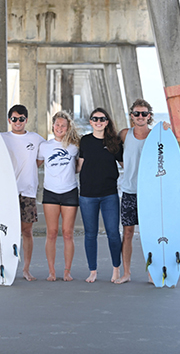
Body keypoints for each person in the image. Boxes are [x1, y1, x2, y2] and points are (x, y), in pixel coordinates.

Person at [0, 104, 44, 281]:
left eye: (21, 119)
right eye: (14, 119)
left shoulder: (36, 139)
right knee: (5, 230)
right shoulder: (0, 138)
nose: (18, 122)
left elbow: (40, 159)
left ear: (26, 120)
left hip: (27, 191)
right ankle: (3, 264)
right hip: (5, 193)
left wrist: (27, 173)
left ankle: (26, 269)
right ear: (9, 120)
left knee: (27, 231)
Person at [114, 98, 171, 284]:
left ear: (149, 116)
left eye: (144, 113)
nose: (140, 116)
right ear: (131, 116)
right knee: (128, 232)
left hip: (150, 192)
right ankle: (127, 273)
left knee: (150, 234)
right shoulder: (124, 134)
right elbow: (110, 147)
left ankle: (151, 272)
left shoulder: (157, 136)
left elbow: (171, 152)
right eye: (137, 113)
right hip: (129, 190)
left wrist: (169, 129)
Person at [77, 107, 122, 283]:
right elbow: (79, 165)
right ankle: (93, 271)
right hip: (87, 195)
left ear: (107, 121)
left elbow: (127, 164)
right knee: (90, 234)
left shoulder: (114, 142)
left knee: (113, 232)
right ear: (90, 122)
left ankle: (116, 269)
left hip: (109, 194)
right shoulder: (85, 141)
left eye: (102, 119)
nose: (98, 122)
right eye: (95, 119)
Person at [37, 111, 80, 281]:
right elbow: (33, 165)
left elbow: (81, 165)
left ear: (68, 127)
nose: (60, 128)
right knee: (52, 232)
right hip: (50, 193)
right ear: (52, 126)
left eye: (63, 125)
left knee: (68, 233)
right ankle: (52, 271)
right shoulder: (45, 146)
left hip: (70, 192)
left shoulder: (74, 146)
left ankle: (67, 271)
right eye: (57, 125)